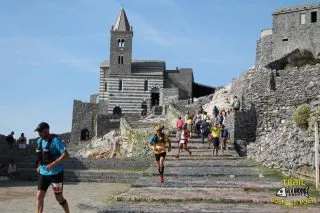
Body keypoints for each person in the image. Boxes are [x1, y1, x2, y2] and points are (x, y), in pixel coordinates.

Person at [34, 122, 70, 213]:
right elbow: (40, 155)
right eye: (38, 132)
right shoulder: (39, 141)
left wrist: (53, 163)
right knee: (39, 196)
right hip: (44, 173)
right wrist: (38, 165)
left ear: (47, 130)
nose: (39, 134)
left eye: (41, 131)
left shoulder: (55, 140)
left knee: (59, 198)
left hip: (56, 174)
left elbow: (66, 154)